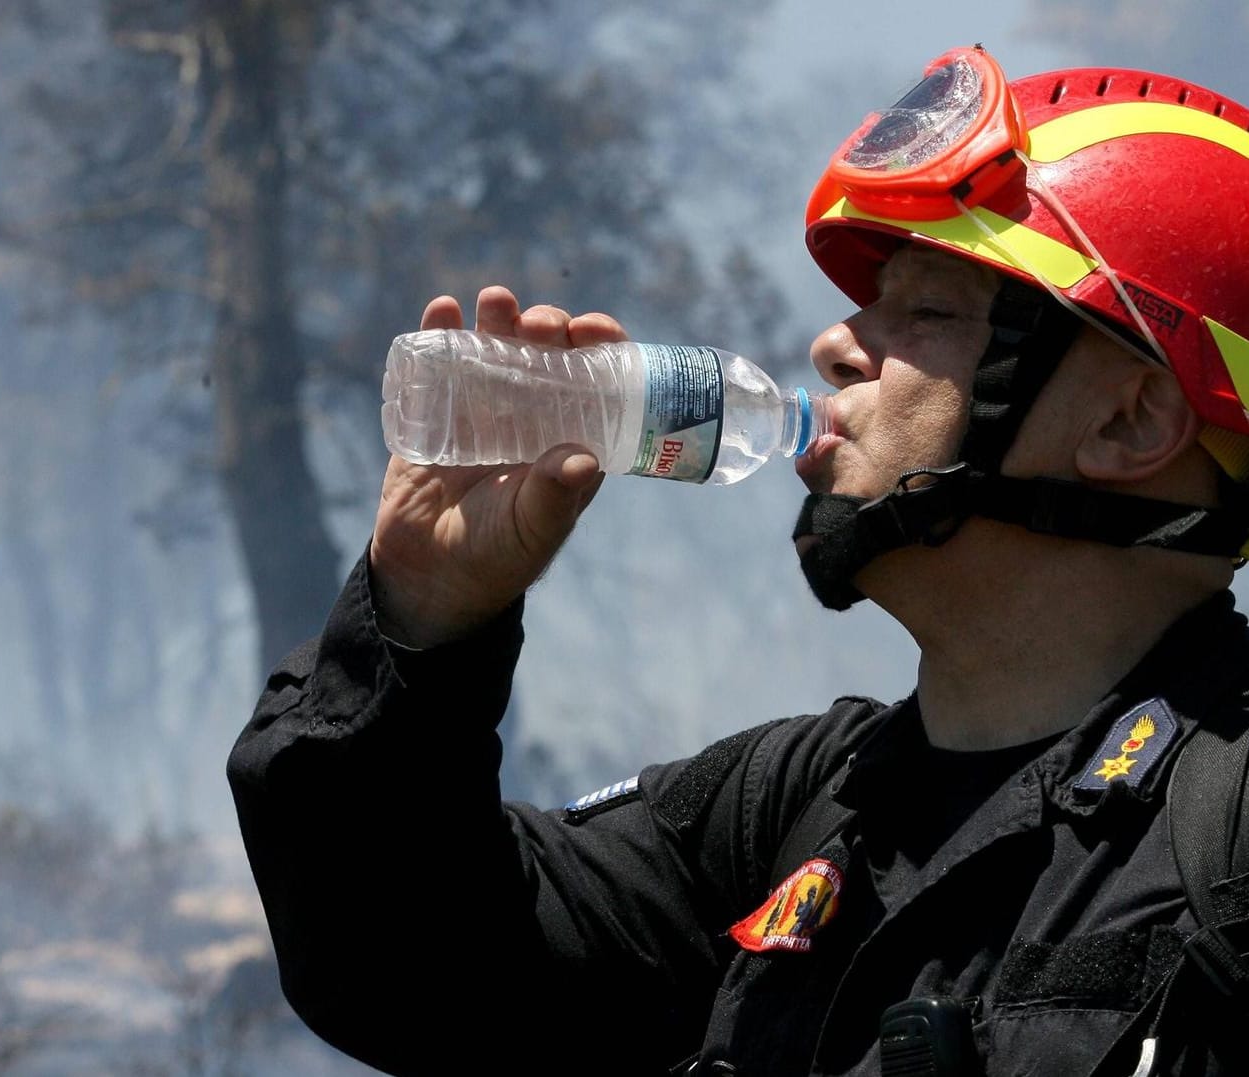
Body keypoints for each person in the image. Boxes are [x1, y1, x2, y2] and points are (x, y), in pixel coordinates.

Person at [228, 45, 1249, 1075]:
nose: (834, 346)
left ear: (1128, 420)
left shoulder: (1230, 835)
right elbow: (410, 974)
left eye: (928, 311)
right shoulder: (785, 812)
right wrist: (422, 627)